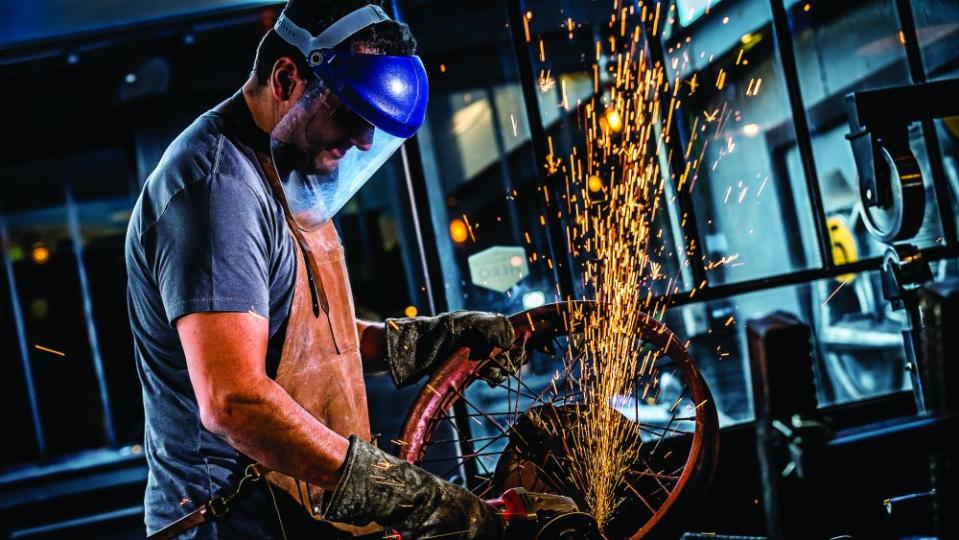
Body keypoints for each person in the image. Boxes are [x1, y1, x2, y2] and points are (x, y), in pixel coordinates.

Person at [125, 1, 512, 538]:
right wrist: (402, 492)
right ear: (287, 78)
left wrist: (418, 343)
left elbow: (296, 340)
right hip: (229, 522)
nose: (362, 141)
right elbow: (233, 400)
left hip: (288, 513)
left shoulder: (282, 169)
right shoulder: (217, 189)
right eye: (351, 113)